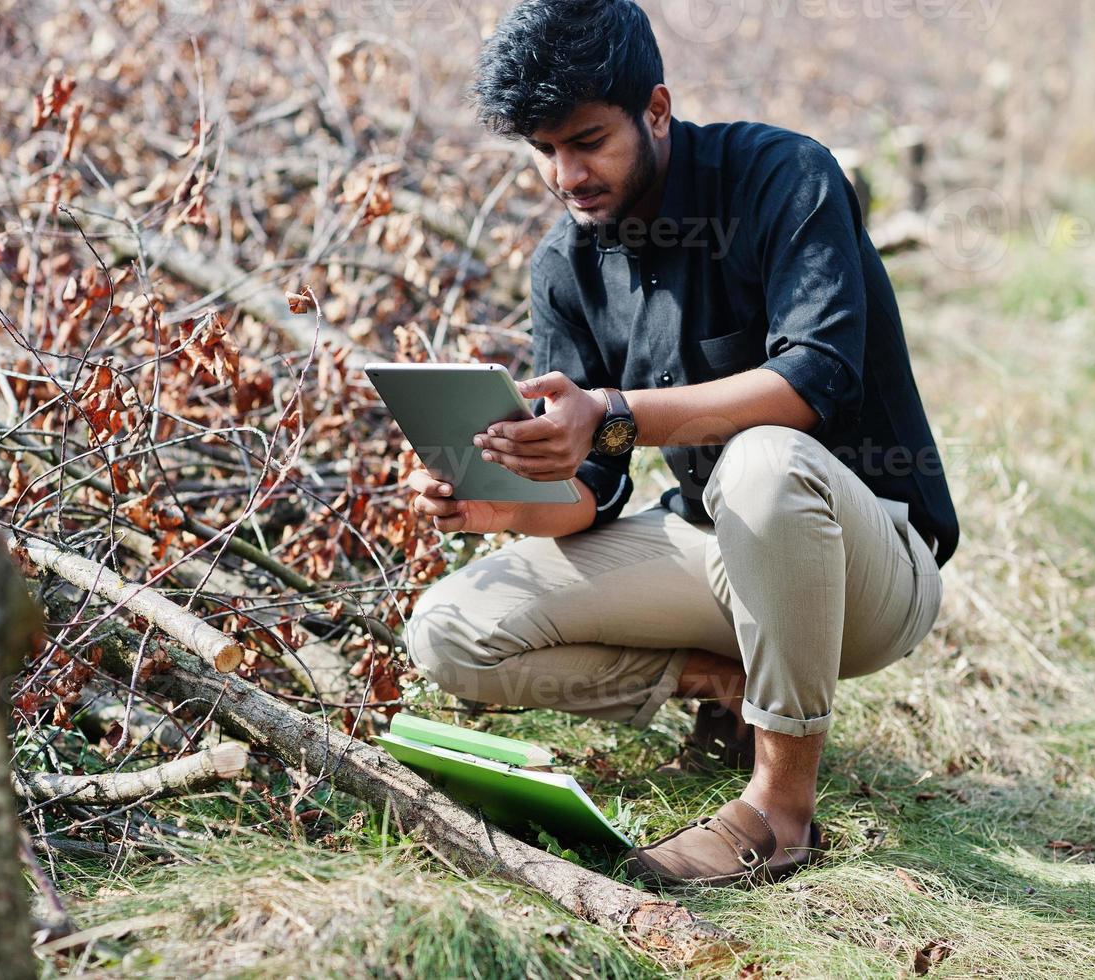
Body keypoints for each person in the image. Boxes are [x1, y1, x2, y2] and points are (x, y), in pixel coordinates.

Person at [402, 0, 959, 889]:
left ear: (655, 110)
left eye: (587, 140)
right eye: (544, 150)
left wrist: (613, 411)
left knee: (763, 461)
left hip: (870, 569)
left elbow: (815, 382)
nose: (566, 174)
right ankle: (725, 687)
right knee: (448, 632)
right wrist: (506, 498)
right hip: (714, 547)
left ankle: (779, 811)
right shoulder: (565, 265)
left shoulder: (784, 177)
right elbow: (593, 486)